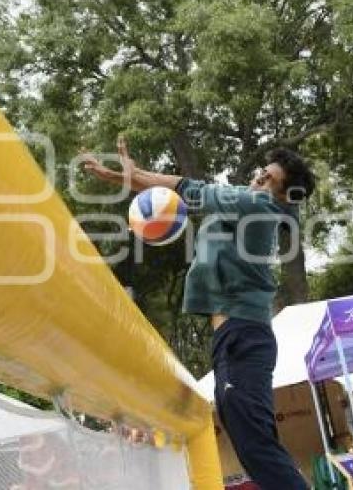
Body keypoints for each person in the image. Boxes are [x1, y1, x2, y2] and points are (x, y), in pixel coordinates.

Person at [83, 136, 315, 489]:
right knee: (254, 448)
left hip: (244, 337)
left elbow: (189, 188)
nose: (258, 179)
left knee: (257, 449)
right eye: (260, 173)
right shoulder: (249, 203)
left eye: (269, 179)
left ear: (283, 196)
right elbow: (183, 195)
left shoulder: (258, 208)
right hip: (233, 337)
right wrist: (126, 178)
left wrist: (132, 176)